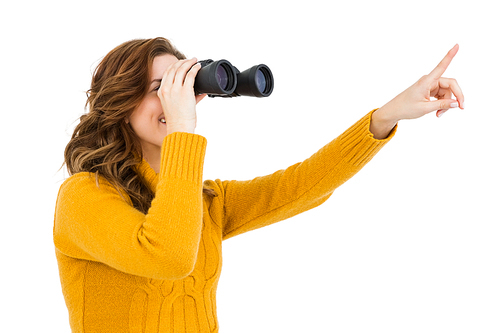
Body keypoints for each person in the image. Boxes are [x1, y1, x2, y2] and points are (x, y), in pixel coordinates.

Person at [53, 37, 464, 333]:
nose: (172, 103)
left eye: (182, 89)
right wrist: (183, 130)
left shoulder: (205, 200)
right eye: (159, 90)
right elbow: (169, 255)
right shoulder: (83, 197)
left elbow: (302, 185)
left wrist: (386, 116)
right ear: (121, 104)